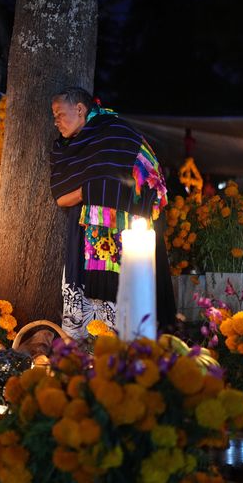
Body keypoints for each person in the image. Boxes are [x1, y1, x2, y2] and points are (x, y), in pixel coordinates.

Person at [50, 86, 175, 340]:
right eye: (54, 116)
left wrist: (100, 190)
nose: (56, 122)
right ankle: (82, 357)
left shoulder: (116, 131)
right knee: (82, 310)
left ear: (80, 109)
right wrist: (91, 191)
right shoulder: (67, 148)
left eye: (60, 114)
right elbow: (61, 197)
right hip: (83, 233)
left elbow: (152, 182)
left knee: (122, 310)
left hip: (125, 237)